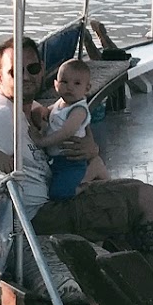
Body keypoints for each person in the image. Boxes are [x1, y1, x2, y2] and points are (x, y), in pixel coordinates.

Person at [0, 37, 153, 295]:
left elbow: (66, 122)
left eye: (32, 69)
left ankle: (138, 277)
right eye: (15, 72)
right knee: (146, 198)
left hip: (52, 198)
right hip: (40, 215)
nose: (26, 77)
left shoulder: (27, 108)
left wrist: (91, 147)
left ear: (42, 69)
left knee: (130, 188)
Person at [35, 58, 111, 199]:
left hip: (71, 161)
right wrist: (43, 112)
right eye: (64, 82)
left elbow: (66, 132)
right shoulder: (61, 103)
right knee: (54, 188)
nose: (70, 87)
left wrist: (42, 141)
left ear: (87, 88)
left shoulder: (79, 110)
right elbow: (49, 110)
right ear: (56, 85)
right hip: (57, 160)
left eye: (76, 83)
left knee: (60, 194)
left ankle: (88, 179)